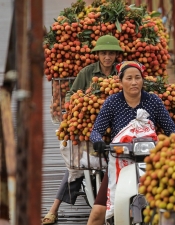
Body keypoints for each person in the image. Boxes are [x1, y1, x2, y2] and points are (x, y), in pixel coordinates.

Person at [42, 35, 123, 225]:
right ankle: (53, 209)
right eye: (104, 53)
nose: (107, 57)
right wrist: (78, 101)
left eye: (111, 53)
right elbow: (71, 93)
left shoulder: (121, 72)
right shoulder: (87, 72)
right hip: (89, 127)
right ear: (98, 55)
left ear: (116, 55)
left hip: (115, 128)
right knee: (76, 165)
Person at [86, 61, 175, 225]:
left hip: (150, 162)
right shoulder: (112, 102)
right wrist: (98, 142)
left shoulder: (154, 101)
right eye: (129, 78)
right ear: (120, 81)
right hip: (119, 163)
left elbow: (172, 129)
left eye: (138, 77)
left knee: (171, 206)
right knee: (97, 215)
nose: (134, 82)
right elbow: (96, 131)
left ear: (143, 80)